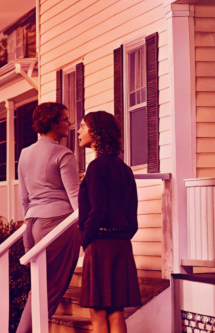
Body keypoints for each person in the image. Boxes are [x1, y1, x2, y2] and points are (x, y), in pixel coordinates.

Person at [16, 102, 82, 333]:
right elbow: (75, 196)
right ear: (53, 124)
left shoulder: (24, 154)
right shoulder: (62, 153)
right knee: (49, 290)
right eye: (65, 119)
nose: (69, 124)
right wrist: (86, 226)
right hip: (58, 225)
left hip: (33, 225)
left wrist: (29, 225)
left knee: (39, 287)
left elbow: (24, 198)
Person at [77, 111, 141, 333]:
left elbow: (98, 210)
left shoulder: (96, 167)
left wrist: (84, 239)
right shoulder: (125, 170)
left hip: (100, 246)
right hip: (121, 246)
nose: (78, 131)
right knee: (116, 314)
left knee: (98, 316)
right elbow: (133, 220)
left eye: (83, 127)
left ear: (95, 132)